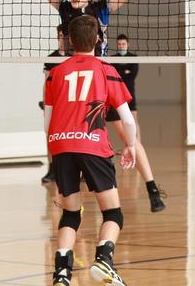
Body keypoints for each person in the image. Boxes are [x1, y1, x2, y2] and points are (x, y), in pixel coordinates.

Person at [45, 15, 137, 285]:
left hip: (61, 146)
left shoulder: (55, 72)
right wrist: (130, 145)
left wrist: (55, 155)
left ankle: (62, 273)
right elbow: (127, 119)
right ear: (98, 39)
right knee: (112, 213)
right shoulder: (107, 70)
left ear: (70, 40)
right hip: (92, 145)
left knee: (71, 214)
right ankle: (104, 260)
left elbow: (47, 123)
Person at [105, 34, 166, 213]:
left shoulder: (101, 15)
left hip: (116, 93)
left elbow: (130, 75)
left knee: (131, 132)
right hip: (97, 91)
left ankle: (152, 189)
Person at [40, 25, 68, 184]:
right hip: (55, 104)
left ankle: (81, 171)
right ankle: (52, 170)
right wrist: (45, 104)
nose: (62, 38)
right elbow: (46, 83)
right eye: (60, 35)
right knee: (51, 136)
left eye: (65, 35)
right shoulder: (51, 58)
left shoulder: (74, 56)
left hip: (71, 104)